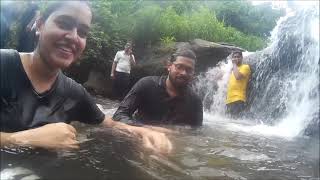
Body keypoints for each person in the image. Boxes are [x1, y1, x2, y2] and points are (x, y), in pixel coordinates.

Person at [0, 1, 171, 154]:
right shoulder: (4, 64)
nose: (74, 37)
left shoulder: (74, 92)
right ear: (39, 25)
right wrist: (21, 139)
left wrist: (143, 132)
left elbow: (109, 124)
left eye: (82, 32)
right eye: (64, 23)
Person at [112, 49, 203, 127]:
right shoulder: (146, 85)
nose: (184, 73)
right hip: (139, 137)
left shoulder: (195, 101)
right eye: (179, 67)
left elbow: (196, 133)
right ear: (169, 66)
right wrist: (145, 131)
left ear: (193, 73)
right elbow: (119, 115)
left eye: (189, 70)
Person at [226, 51, 251, 118]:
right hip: (229, 100)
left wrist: (234, 64)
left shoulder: (245, 67)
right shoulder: (233, 70)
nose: (236, 58)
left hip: (238, 99)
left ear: (242, 58)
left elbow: (237, 77)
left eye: (238, 57)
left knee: (235, 122)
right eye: (234, 57)